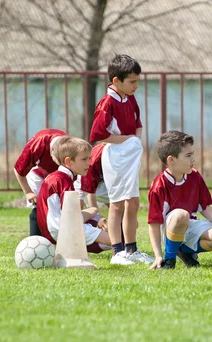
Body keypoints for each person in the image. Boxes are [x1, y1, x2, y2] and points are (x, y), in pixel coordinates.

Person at [89, 54, 152, 266]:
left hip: (130, 155)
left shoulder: (130, 98)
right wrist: (126, 140)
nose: (136, 86)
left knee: (133, 202)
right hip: (115, 156)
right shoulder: (107, 103)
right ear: (116, 81)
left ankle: (131, 249)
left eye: (138, 81)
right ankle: (117, 253)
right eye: (132, 81)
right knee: (117, 205)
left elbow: (138, 124)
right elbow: (98, 134)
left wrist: (135, 143)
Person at [147, 130, 212, 270]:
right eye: (188, 155)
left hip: (191, 224)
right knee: (181, 214)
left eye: (193, 154)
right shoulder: (159, 185)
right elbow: (154, 224)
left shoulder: (195, 176)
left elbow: (203, 205)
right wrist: (158, 255)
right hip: (169, 229)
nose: (193, 159)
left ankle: (185, 251)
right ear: (171, 160)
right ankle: (169, 259)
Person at [36, 136, 111, 264]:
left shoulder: (61, 178)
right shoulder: (60, 180)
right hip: (61, 231)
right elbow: (66, 220)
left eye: (89, 158)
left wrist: (93, 215)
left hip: (62, 228)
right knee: (116, 239)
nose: (89, 163)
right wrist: (90, 214)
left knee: (106, 227)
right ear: (68, 161)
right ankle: (122, 255)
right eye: (84, 159)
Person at [13, 128, 67, 236]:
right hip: (37, 172)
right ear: (52, 150)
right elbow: (18, 169)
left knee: (63, 205)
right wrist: (28, 192)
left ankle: (60, 240)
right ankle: (35, 240)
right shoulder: (37, 145)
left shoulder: (71, 147)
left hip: (60, 175)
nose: (62, 163)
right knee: (39, 206)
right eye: (60, 159)